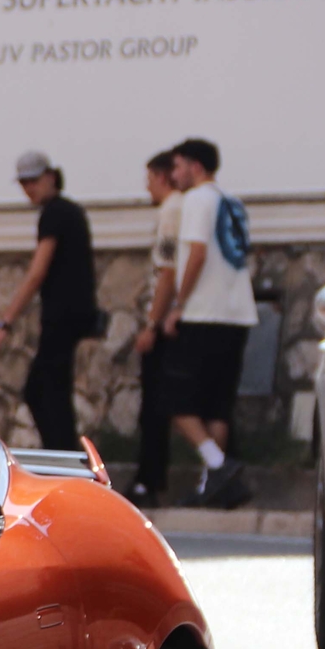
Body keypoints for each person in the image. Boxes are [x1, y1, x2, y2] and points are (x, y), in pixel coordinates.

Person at [159, 137, 257, 508]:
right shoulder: (232, 201)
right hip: (237, 314)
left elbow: (196, 253)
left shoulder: (197, 199)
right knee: (217, 404)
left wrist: (179, 305)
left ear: (196, 167)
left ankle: (218, 463)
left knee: (176, 399)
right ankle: (215, 486)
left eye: (179, 166)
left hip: (203, 312)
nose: (174, 174)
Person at [0, 150, 96, 449]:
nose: (29, 189)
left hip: (63, 316)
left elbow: (36, 272)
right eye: (23, 183)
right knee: (48, 390)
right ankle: (65, 455)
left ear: (50, 176)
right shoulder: (69, 211)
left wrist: (4, 322)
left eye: (33, 181)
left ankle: (65, 459)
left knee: (44, 391)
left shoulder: (55, 213)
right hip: (68, 316)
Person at [125, 150, 182, 506]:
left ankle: (149, 479)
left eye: (149, 179)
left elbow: (168, 271)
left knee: (155, 406)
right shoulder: (178, 208)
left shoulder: (171, 210)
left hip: (162, 322)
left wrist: (151, 323)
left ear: (162, 177)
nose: (147, 187)